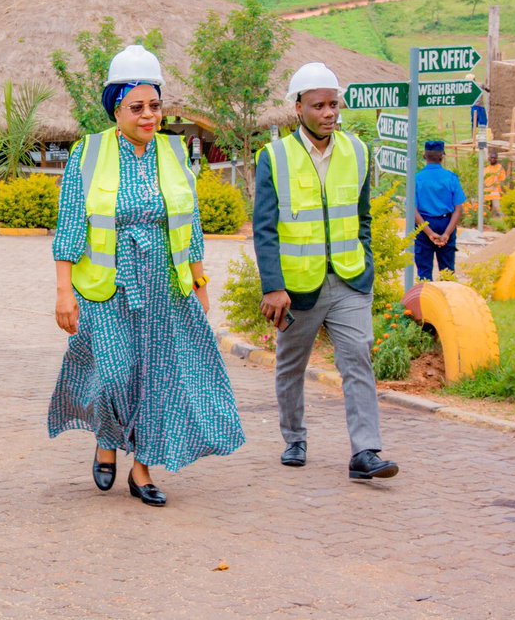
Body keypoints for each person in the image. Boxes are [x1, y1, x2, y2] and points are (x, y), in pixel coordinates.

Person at [48, 45, 244, 507]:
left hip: (163, 286)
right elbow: (71, 224)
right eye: (137, 107)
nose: (149, 115)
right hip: (108, 286)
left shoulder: (175, 152)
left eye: (155, 105)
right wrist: (62, 292)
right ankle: (106, 440)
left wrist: (199, 283)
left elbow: (188, 222)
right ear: (116, 107)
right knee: (115, 375)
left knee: (157, 378)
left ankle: (141, 469)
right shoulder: (89, 153)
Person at [253, 62, 397, 481]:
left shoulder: (357, 151)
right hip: (297, 288)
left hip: (350, 280)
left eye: (334, 104)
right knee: (291, 365)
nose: (329, 113)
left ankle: (365, 451)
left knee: (357, 360)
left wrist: (365, 262)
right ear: (298, 108)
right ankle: (294, 438)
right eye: (319, 105)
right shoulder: (274, 158)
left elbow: (363, 216)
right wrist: (273, 286)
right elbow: (265, 229)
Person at [414, 140, 467, 280]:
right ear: (442, 156)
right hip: (446, 222)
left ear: (424, 156)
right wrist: (447, 234)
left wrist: (429, 232)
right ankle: (446, 299)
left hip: (423, 224)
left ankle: (425, 300)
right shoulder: (451, 179)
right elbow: (458, 209)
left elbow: (412, 211)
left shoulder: (416, 179)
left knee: (424, 271)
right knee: (447, 271)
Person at [483, 149, 507, 218]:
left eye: (494, 158)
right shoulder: (486, 168)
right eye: (491, 157)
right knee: (485, 207)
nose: (493, 159)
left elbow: (503, 178)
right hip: (486, 191)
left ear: (497, 159)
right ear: (489, 158)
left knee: (497, 207)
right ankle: (487, 219)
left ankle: (501, 220)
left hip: (495, 190)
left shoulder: (499, 167)